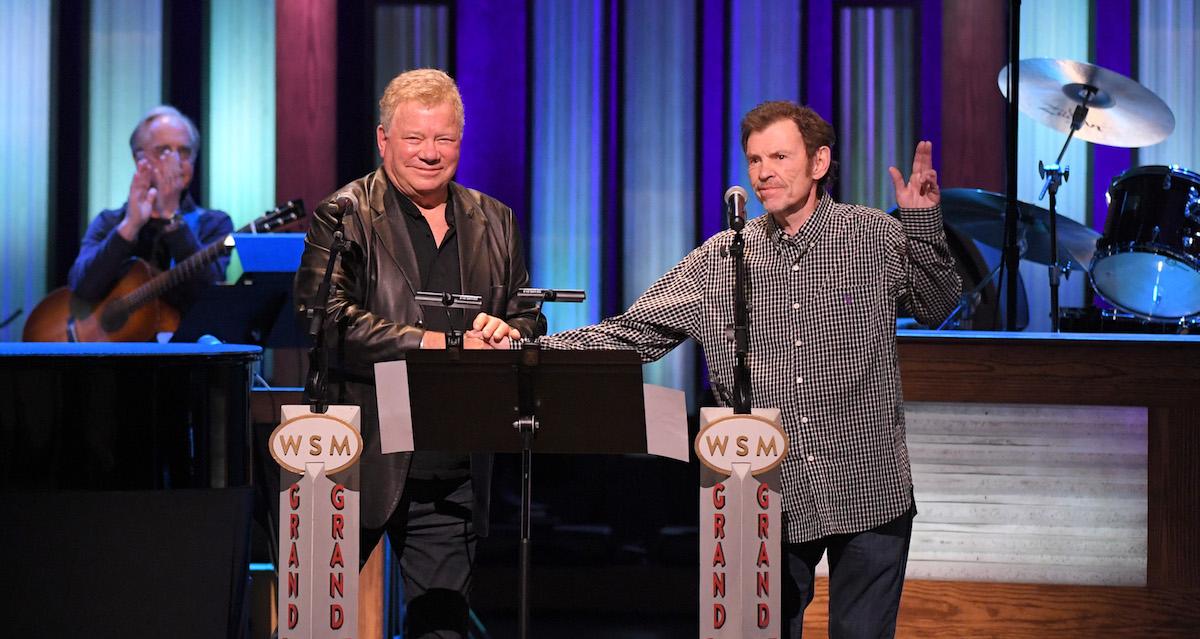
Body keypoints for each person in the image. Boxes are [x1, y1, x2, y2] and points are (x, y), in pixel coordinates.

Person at [509, 101, 960, 637]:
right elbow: (632, 333)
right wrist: (529, 350)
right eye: (754, 159)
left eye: (779, 156)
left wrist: (924, 223)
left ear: (819, 162)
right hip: (756, 487)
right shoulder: (722, 257)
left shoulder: (870, 233)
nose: (764, 171)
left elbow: (936, 304)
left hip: (866, 482)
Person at [293, 68, 545, 637]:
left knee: (443, 629)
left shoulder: (496, 220)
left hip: (452, 459)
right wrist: (437, 344)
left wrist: (509, 333)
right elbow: (321, 318)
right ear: (383, 141)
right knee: (310, 620)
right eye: (414, 139)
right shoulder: (343, 215)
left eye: (444, 139)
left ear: (461, 139)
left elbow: (528, 314)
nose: (430, 154)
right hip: (355, 453)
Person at [69, 105, 233, 313]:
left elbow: (208, 296)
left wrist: (171, 218)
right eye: (163, 151)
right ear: (139, 159)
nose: (175, 161)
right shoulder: (110, 221)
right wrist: (129, 227)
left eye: (184, 152)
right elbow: (83, 289)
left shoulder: (214, 223)